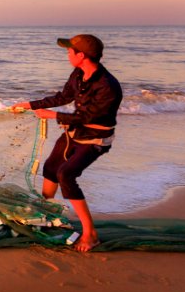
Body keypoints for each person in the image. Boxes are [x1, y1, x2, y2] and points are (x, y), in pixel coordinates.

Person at [11, 34, 122, 253]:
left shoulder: (108, 86)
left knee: (66, 174)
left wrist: (52, 116)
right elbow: (63, 97)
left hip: (95, 138)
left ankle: (90, 233)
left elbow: (88, 118)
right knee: (51, 168)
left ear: (81, 55)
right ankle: (45, 214)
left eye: (70, 51)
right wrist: (31, 104)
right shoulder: (78, 73)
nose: (67, 55)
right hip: (74, 132)